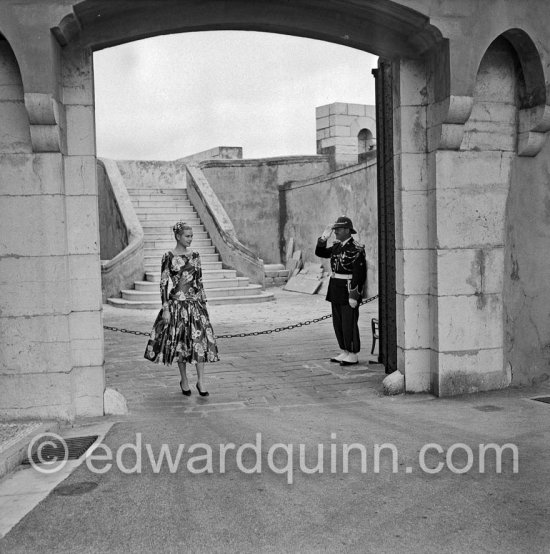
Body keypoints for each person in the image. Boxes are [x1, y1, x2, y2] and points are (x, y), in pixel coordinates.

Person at [144, 221, 219, 396]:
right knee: (180, 344)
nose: (190, 239)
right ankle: (184, 379)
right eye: (187, 236)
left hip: (195, 305)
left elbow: (199, 281)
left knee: (199, 343)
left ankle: (201, 381)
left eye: (192, 236)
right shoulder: (168, 257)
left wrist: (203, 304)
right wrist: (165, 309)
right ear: (178, 236)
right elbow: (163, 284)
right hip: (176, 305)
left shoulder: (196, 256)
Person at [315, 216, 367, 366]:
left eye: (337, 229)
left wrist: (354, 295)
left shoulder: (356, 248)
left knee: (349, 322)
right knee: (338, 322)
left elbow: (359, 274)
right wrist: (323, 238)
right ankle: (344, 350)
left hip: (348, 288)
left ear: (346, 230)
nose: (335, 232)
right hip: (335, 288)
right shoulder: (337, 246)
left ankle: (353, 353)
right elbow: (320, 253)